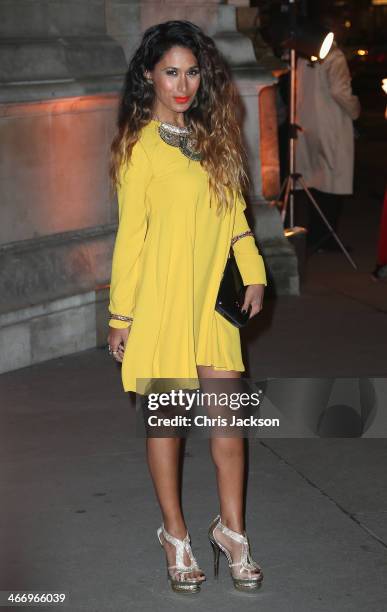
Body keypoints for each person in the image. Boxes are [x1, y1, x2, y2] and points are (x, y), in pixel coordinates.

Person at [106, 21, 267, 594]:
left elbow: (234, 219)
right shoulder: (139, 146)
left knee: (228, 426)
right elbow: (131, 239)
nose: (183, 84)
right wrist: (121, 316)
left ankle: (233, 531)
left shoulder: (215, 139)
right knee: (169, 427)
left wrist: (253, 272)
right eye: (171, 71)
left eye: (192, 71)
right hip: (162, 307)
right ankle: (175, 534)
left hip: (211, 307)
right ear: (148, 74)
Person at [294, 16, 361, 251]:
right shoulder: (335, 56)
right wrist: (356, 110)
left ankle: (316, 235)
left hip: (309, 126)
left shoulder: (304, 56)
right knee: (333, 184)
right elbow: (340, 92)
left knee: (316, 183)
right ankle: (325, 237)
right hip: (332, 127)